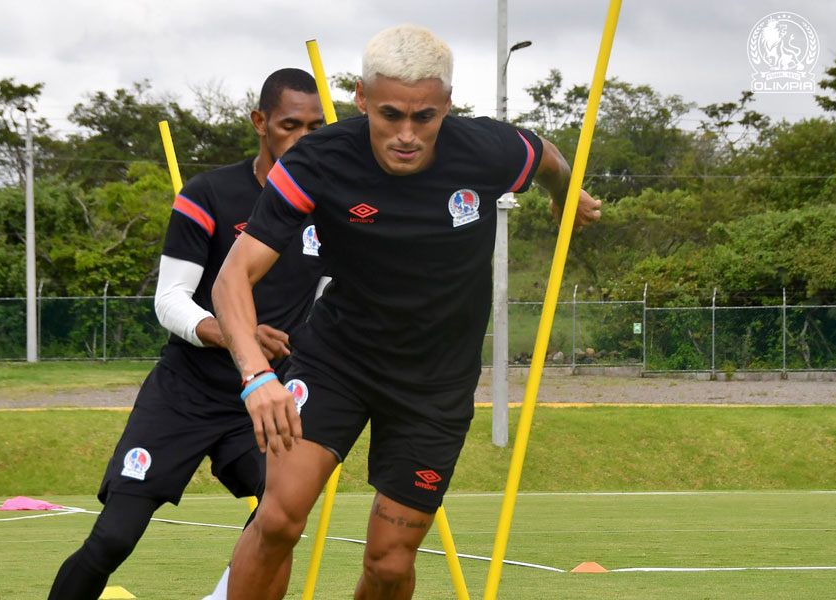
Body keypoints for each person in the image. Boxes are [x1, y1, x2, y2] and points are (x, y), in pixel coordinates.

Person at [211, 25, 602, 600]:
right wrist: (255, 376)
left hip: (434, 386)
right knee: (277, 520)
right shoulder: (319, 161)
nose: (406, 135)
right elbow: (231, 279)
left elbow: (543, 155)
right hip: (336, 363)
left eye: (424, 117)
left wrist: (566, 192)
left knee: (390, 563)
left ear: (447, 104)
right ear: (361, 98)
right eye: (390, 114)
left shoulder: (485, 148)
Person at [47, 68, 327, 600]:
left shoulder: (327, 208)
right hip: (185, 393)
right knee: (113, 539)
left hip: (263, 401)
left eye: (316, 127)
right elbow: (170, 299)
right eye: (291, 125)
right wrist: (236, 333)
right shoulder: (211, 193)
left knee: (281, 516)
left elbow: (332, 297)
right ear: (261, 123)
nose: (304, 139)